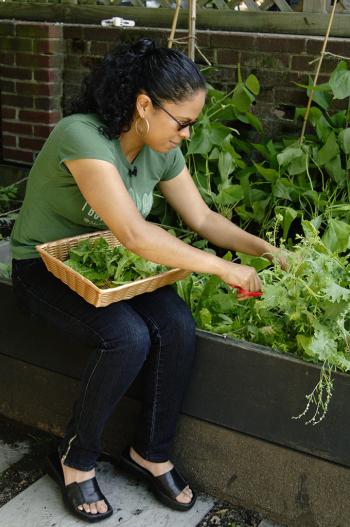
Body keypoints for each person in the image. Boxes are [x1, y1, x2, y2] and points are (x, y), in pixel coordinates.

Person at [11, 38, 284, 523]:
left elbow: (201, 217)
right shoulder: (82, 137)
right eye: (183, 123)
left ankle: (150, 453)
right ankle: (74, 459)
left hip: (105, 270)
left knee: (176, 323)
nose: (186, 135)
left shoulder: (160, 150)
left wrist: (264, 250)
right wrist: (223, 267)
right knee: (126, 338)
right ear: (144, 105)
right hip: (44, 268)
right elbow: (135, 234)